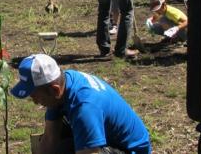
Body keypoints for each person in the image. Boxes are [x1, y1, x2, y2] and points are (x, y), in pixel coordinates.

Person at [11, 54, 152, 153]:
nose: (35, 102)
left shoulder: (84, 107)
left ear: (55, 90)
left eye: (35, 96)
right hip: (108, 139)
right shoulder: (63, 84)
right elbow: (49, 138)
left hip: (129, 150)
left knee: (65, 149)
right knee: (60, 144)